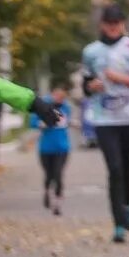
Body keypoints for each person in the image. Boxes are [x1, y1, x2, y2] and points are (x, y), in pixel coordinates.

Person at [81, 4, 129, 243]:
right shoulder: (91, 51)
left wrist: (123, 80)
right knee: (114, 168)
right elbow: (85, 84)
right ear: (102, 24)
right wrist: (91, 86)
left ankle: (127, 204)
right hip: (103, 118)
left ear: (122, 24)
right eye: (109, 23)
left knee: (126, 167)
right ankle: (118, 223)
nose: (113, 27)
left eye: (117, 23)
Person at [27, 84, 72, 215]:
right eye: (57, 96)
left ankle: (57, 203)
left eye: (62, 97)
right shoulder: (43, 107)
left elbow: (66, 122)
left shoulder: (66, 108)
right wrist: (42, 124)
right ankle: (47, 192)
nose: (60, 99)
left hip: (62, 148)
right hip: (46, 148)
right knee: (49, 175)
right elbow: (33, 123)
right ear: (52, 95)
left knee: (58, 174)